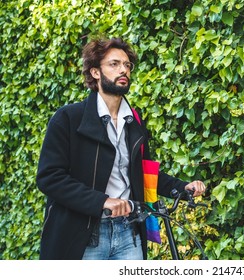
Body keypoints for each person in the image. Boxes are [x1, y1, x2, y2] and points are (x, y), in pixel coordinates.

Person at [36, 37, 206, 260]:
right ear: (95, 72)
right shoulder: (68, 118)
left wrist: (183, 188)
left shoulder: (134, 120)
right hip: (84, 236)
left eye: (127, 65)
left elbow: (144, 173)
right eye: (114, 64)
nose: (123, 70)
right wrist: (102, 201)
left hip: (129, 233)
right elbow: (50, 177)